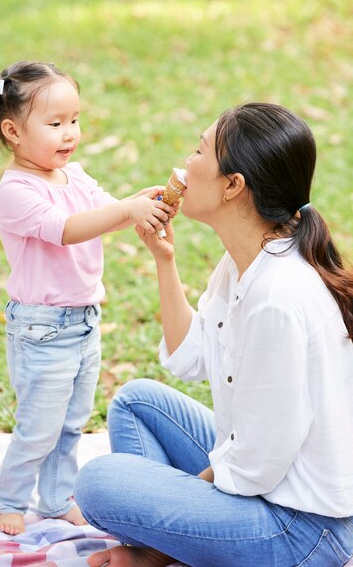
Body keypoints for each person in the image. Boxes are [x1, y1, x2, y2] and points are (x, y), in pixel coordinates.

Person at [74, 102, 353, 567]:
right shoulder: (246, 259)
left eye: (199, 151)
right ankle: (170, 545)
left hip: (300, 528)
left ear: (233, 185)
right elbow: (190, 359)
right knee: (136, 403)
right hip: (263, 487)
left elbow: (260, 461)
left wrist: (171, 509)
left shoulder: (277, 297)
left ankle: (162, 549)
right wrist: (164, 260)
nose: (185, 164)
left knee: (99, 483)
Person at [0, 61, 173, 536]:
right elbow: (65, 230)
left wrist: (139, 203)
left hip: (84, 321)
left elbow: (105, 212)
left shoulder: (74, 176)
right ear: (12, 131)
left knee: (71, 423)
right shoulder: (16, 191)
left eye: (75, 121)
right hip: (41, 327)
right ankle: (9, 497)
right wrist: (127, 209)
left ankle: (57, 497)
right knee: (39, 426)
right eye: (55, 124)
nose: (70, 134)